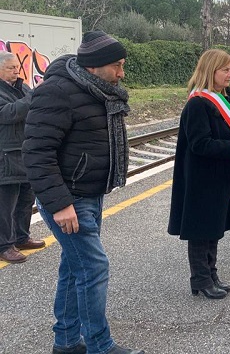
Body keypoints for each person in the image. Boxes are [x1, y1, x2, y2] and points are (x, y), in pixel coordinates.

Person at [22, 31, 144, 354]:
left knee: (73, 266)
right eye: (117, 66)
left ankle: (65, 342)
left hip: (90, 195)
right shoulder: (58, 91)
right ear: (95, 66)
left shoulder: (99, 92)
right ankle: (99, 345)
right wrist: (61, 204)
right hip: (67, 198)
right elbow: (36, 152)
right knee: (93, 267)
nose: (122, 73)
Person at [168, 49, 230, 299]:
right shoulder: (198, 103)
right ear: (211, 71)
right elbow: (199, 144)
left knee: (215, 226)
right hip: (201, 178)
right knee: (201, 229)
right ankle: (200, 279)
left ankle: (211, 273)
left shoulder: (225, 98)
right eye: (225, 69)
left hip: (220, 173)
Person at [0, 51, 44, 264]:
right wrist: (34, 96)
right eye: (10, 68)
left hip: (26, 151)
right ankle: (5, 246)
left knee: (26, 199)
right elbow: (8, 113)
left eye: (17, 67)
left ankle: (21, 236)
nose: (16, 71)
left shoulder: (22, 88)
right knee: (5, 204)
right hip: (5, 155)